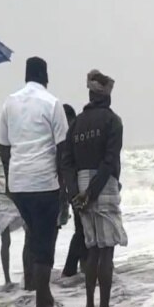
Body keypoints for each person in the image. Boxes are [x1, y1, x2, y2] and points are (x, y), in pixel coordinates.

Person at [0, 57, 68, 307]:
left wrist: (8, 173)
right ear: (45, 76)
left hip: (18, 184)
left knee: (33, 235)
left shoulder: (9, 102)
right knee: (45, 241)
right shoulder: (52, 103)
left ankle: (42, 295)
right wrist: (64, 186)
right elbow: (63, 148)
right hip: (44, 183)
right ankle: (41, 304)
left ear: (27, 75)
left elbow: (1, 144)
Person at [61, 69, 127, 307]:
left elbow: (66, 162)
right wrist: (93, 192)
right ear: (107, 94)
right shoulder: (113, 121)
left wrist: (74, 193)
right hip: (103, 185)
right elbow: (110, 162)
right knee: (106, 250)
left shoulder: (76, 124)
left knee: (90, 250)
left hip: (79, 187)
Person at [0, 134, 29, 287]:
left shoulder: (14, 151)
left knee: (29, 231)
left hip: (15, 195)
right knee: (5, 239)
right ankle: (7, 279)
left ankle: (28, 273)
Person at [60, 104, 89, 277]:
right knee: (82, 230)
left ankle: (76, 269)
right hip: (77, 188)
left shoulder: (72, 135)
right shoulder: (72, 135)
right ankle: (72, 270)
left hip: (77, 187)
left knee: (82, 230)